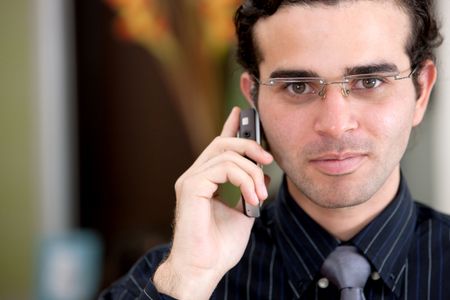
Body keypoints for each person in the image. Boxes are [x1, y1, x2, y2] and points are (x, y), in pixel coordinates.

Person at [100, 0, 450, 299]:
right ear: (254, 97)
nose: (335, 124)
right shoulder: (171, 278)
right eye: (298, 86)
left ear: (422, 91)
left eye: (369, 82)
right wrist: (189, 281)